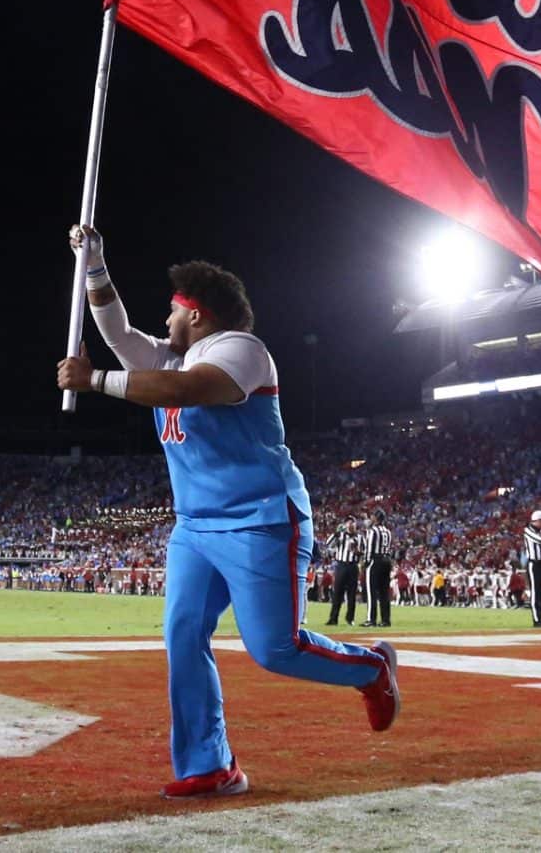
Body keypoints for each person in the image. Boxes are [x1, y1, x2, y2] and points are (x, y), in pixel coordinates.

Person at [59, 225, 398, 800]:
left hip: (260, 519)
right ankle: (210, 764)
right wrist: (94, 264)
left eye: (171, 311)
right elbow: (114, 328)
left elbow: (189, 389)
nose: (163, 322)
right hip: (195, 526)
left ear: (196, 314)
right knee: (182, 633)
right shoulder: (174, 353)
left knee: (274, 649)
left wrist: (94, 380)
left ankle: (372, 669)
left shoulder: (240, 349)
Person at [324, 516, 361, 627]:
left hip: (353, 566)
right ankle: (333, 618)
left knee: (352, 594)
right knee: (337, 593)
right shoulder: (340, 536)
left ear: (355, 524)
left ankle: (350, 619)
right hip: (341, 565)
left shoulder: (360, 537)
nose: (350, 524)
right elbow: (328, 543)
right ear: (345, 525)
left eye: (352, 522)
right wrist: (336, 533)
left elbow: (362, 552)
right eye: (348, 522)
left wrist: (356, 551)